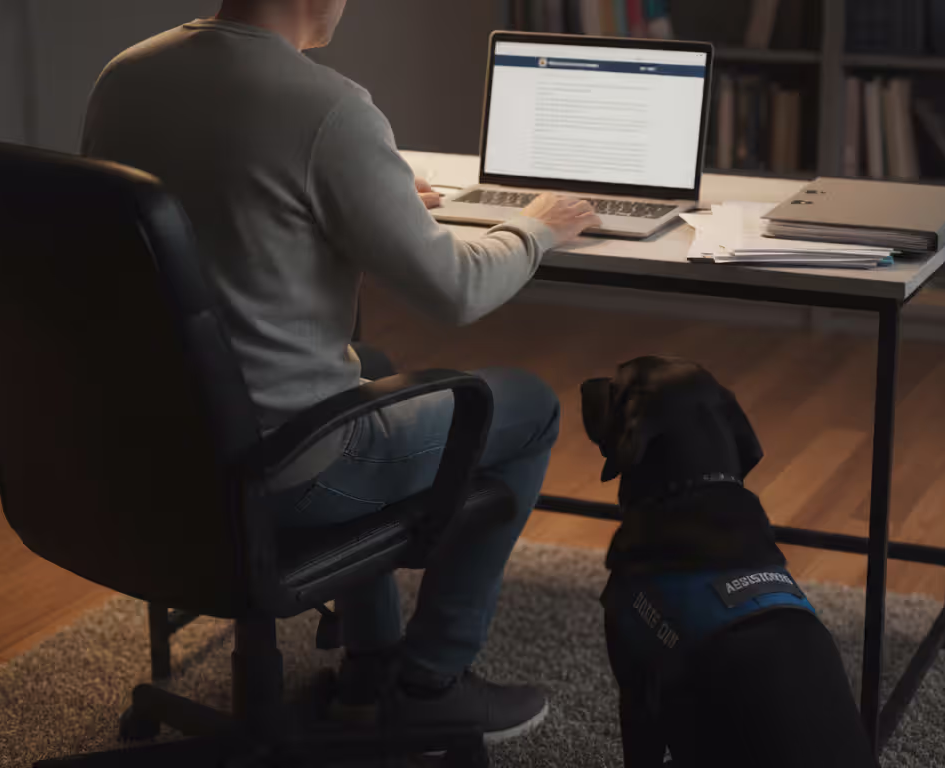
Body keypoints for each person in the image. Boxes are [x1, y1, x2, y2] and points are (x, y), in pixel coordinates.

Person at [80, 0, 600, 744]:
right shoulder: (327, 107)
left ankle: (371, 664)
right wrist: (537, 223)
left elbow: (222, 210)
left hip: (148, 448)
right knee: (526, 405)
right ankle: (431, 681)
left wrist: (373, 201)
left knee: (375, 367)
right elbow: (456, 290)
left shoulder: (125, 77)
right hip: (284, 468)